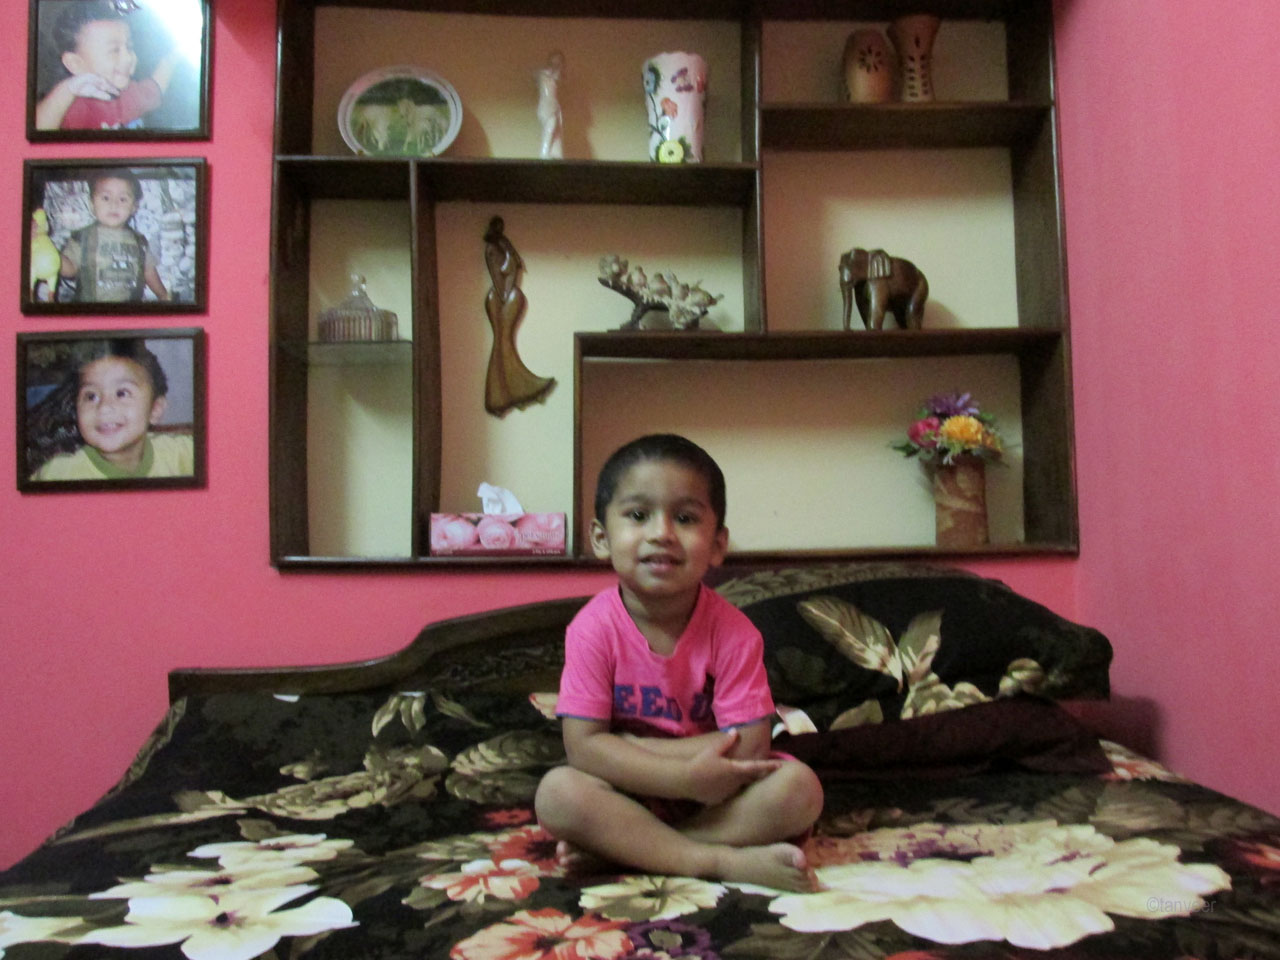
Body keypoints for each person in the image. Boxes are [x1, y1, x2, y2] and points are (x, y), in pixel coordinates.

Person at [534, 434, 823, 892]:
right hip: (626, 792)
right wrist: (683, 776)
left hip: (719, 797)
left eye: (685, 518)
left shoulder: (734, 632)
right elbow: (584, 748)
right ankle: (715, 861)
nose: (662, 533)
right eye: (638, 515)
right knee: (557, 793)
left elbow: (750, 746)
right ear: (601, 538)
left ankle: (629, 850)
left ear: (718, 544)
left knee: (801, 789)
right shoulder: (592, 629)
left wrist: (628, 746)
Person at [30, 339, 194, 481]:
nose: (104, 408)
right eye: (91, 396)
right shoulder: (57, 473)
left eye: (122, 393)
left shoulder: (183, 453)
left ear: (155, 410)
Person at [35, 0, 177, 132]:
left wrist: (176, 53)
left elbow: (155, 86)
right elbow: (38, 127)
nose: (128, 58)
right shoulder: (73, 107)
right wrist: (67, 90)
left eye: (129, 47)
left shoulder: (130, 93)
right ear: (75, 63)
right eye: (114, 50)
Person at [56, 168, 170, 303]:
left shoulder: (140, 241)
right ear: (92, 204)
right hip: (90, 309)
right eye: (106, 198)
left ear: (134, 207)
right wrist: (51, 255)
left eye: (123, 199)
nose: (114, 204)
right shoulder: (82, 238)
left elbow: (149, 271)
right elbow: (69, 270)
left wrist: (163, 295)